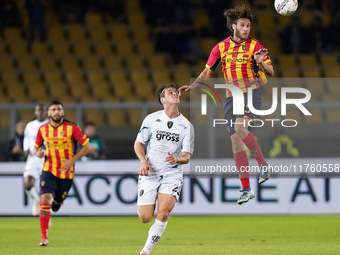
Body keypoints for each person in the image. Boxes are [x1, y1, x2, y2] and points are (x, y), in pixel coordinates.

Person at [178, 5, 274, 205]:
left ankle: (263, 165)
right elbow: (207, 71)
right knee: (235, 140)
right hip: (232, 97)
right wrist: (194, 86)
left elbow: (271, 72)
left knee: (240, 128)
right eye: (242, 25)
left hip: (251, 92)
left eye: (248, 25)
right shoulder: (220, 47)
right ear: (233, 26)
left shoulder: (256, 45)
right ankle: (246, 188)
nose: (246, 29)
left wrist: (261, 61)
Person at [134, 85, 194, 255]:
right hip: (150, 171)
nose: (175, 94)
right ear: (163, 100)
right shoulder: (152, 119)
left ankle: (145, 251)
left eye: (176, 92)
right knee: (145, 218)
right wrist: (144, 162)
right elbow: (138, 143)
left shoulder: (186, 126)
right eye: (170, 93)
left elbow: (187, 156)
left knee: (164, 211)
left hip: (172, 173)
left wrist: (177, 159)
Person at [34, 100, 91, 246]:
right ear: (49, 113)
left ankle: (58, 202)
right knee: (45, 198)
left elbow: (87, 147)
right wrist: (38, 153)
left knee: (56, 206)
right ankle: (44, 237)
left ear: (63, 112)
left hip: (66, 173)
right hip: (49, 169)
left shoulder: (72, 128)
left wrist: (72, 160)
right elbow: (36, 148)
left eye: (59, 109)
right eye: (53, 109)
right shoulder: (42, 129)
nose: (56, 112)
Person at [23, 104, 49, 216]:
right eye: (39, 110)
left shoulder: (50, 125)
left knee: (47, 189)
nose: (40, 112)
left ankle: (47, 216)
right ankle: (36, 200)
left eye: (43, 110)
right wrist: (26, 149)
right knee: (28, 184)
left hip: (46, 158)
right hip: (33, 159)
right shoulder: (30, 125)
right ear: (35, 112)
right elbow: (26, 139)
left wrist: (45, 146)